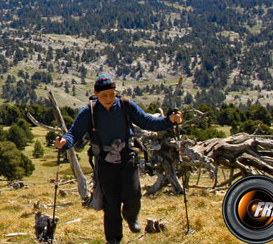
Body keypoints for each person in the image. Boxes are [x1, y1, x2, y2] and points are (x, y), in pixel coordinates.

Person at [54, 74, 183, 244]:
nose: (108, 98)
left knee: (134, 194)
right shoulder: (89, 112)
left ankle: (130, 216)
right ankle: (113, 239)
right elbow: (74, 133)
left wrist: (170, 121)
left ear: (116, 92)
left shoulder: (126, 106)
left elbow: (147, 121)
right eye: (103, 95)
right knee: (111, 203)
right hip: (104, 162)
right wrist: (64, 142)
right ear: (95, 93)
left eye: (111, 94)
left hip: (127, 157)